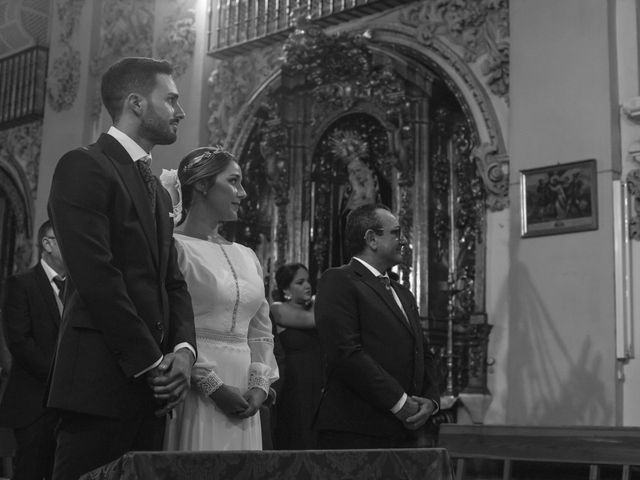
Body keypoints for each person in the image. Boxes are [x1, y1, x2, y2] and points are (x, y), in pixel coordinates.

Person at [47, 57, 196, 480]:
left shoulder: (162, 196)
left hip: (156, 390)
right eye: (170, 100)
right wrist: (153, 364)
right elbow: (98, 278)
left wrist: (184, 352)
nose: (180, 112)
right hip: (100, 381)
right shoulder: (84, 165)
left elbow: (173, 282)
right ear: (135, 103)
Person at [161, 146, 279, 451]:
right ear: (202, 185)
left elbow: (260, 330)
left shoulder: (247, 255)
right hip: (193, 388)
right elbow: (170, 324)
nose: (242, 192)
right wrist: (211, 386)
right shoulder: (174, 247)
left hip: (244, 392)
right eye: (234, 181)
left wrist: (259, 385)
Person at [314, 203, 440, 449]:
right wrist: (399, 402)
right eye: (396, 233)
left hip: (405, 431)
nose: (403, 240)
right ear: (372, 239)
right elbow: (346, 352)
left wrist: (430, 400)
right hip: (358, 429)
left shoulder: (403, 293)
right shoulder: (339, 280)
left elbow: (423, 353)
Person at [0, 221, 66, 480]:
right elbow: (19, 342)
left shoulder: (79, 290)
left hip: (68, 407)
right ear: (47, 244)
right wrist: (59, 376)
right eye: (65, 238)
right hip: (34, 404)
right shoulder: (21, 284)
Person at [271, 263, 323, 450]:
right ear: (286, 289)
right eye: (300, 282)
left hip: (319, 381)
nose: (307, 286)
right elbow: (315, 321)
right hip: (296, 383)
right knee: (298, 435)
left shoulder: (315, 306)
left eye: (308, 281)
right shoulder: (278, 309)